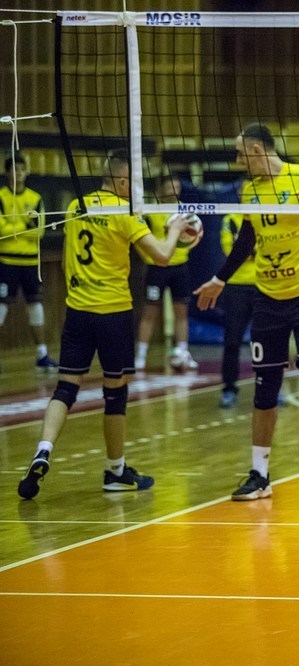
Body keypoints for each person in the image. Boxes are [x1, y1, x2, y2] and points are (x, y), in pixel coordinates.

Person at [195, 122, 299, 503]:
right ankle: (260, 475)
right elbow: (246, 241)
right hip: (267, 298)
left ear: (257, 150)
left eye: (240, 153)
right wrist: (219, 278)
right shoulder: (250, 190)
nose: (237, 160)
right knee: (265, 388)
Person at [17, 149, 184, 498]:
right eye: (133, 182)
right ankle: (115, 471)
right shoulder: (124, 213)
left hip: (77, 309)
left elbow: (67, 260)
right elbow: (162, 256)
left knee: (66, 388)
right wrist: (175, 229)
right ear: (122, 181)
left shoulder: (76, 206)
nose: (136, 188)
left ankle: (43, 450)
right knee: (115, 393)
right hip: (113, 312)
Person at [0, 152, 58, 370]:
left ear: (27, 172)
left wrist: (16, 228)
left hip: (31, 262)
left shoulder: (35, 198)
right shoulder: (1, 197)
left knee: (35, 306)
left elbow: (39, 232)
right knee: (1, 307)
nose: (19, 173)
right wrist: (25, 225)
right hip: (7, 261)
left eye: (22, 169)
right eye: (14, 169)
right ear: (7, 172)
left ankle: (42, 355)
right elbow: (1, 231)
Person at [135, 175, 198, 372]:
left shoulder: (186, 211)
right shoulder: (150, 211)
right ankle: (141, 357)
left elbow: (195, 236)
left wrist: (185, 249)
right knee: (150, 311)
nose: (174, 190)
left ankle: (183, 354)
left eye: (177, 186)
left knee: (181, 312)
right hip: (156, 268)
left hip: (180, 267)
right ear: (161, 188)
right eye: (170, 186)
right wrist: (149, 258)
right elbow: (138, 239)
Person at [218, 210, 258, 408]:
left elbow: (271, 248)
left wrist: (246, 245)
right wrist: (252, 247)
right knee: (232, 341)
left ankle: (272, 388)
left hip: (263, 286)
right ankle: (229, 388)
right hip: (236, 288)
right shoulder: (230, 220)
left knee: (267, 342)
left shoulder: (266, 215)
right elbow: (232, 251)